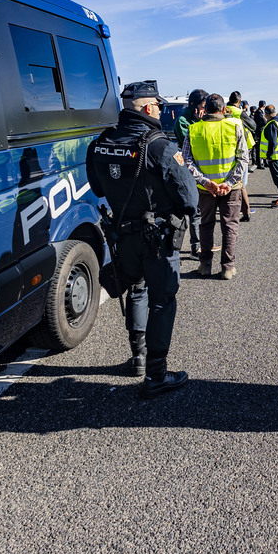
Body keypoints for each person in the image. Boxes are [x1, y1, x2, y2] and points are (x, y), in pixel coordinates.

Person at [87, 81, 198, 398]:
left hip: (123, 235)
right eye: (159, 106)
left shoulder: (100, 143)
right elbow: (189, 199)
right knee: (162, 302)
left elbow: (98, 189)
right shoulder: (161, 146)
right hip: (158, 237)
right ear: (148, 108)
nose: (161, 111)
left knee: (136, 288)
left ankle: (137, 358)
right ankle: (156, 375)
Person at [184, 93, 249, 280]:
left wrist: (205, 182)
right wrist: (228, 183)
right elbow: (243, 158)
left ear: (205, 109)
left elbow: (187, 160)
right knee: (229, 226)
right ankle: (227, 268)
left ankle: (205, 265)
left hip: (206, 190)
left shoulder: (193, 129)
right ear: (223, 109)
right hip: (232, 188)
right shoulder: (235, 126)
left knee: (206, 224)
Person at [175, 88, 208, 258]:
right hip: (190, 171)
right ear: (195, 106)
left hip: (204, 169)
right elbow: (193, 143)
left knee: (203, 210)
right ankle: (196, 247)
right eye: (203, 106)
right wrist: (199, 123)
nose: (205, 110)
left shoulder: (199, 118)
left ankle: (203, 243)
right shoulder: (183, 120)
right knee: (195, 211)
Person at [260, 105, 278, 206]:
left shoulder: (272, 124)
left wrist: (269, 155)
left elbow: (272, 142)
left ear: (267, 114)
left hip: (275, 156)